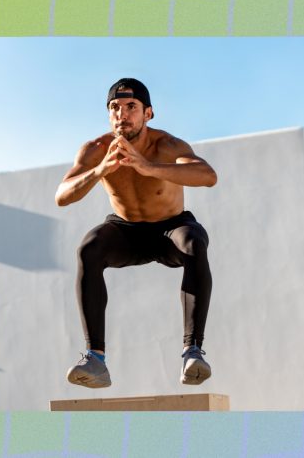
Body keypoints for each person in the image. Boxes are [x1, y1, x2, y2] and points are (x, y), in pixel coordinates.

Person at [55, 78, 217, 388]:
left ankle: (192, 351)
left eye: (131, 107)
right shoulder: (96, 149)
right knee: (89, 248)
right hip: (126, 231)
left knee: (194, 241)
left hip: (170, 228)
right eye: (115, 108)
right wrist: (100, 170)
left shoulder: (167, 145)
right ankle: (95, 358)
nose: (122, 114)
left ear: (148, 114)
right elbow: (62, 196)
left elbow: (208, 176)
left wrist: (149, 167)